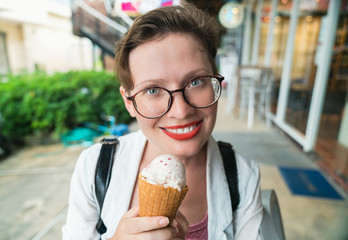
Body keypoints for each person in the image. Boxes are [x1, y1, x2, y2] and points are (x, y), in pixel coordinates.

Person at [62, 2, 263, 239]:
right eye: (153, 90)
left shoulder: (242, 175)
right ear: (129, 103)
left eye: (196, 82)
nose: (181, 111)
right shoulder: (95, 168)